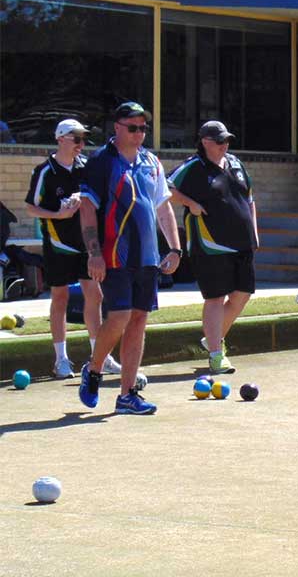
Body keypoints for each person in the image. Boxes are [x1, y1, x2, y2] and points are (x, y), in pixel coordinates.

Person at [77, 102, 181, 415]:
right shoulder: (101, 163)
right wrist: (93, 254)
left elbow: (163, 207)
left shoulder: (151, 162)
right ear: (117, 128)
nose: (139, 134)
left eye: (143, 129)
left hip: (148, 257)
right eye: (133, 128)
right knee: (119, 316)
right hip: (114, 255)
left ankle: (126, 395)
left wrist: (175, 249)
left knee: (139, 320)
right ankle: (93, 370)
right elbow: (87, 209)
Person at [24, 119, 120, 378]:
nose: (81, 144)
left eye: (83, 139)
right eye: (76, 138)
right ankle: (61, 359)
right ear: (61, 139)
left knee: (95, 296)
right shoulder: (45, 171)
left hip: (86, 245)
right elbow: (31, 207)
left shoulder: (86, 168)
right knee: (60, 298)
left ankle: (100, 356)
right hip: (57, 245)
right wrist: (59, 215)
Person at [167, 121, 258, 374]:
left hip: (242, 241)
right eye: (219, 141)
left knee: (242, 294)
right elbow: (164, 188)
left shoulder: (236, 164)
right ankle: (216, 354)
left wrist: (255, 233)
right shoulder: (193, 167)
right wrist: (190, 203)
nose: (224, 145)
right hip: (210, 244)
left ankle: (212, 339)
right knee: (215, 297)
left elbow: (249, 198)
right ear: (205, 142)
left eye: (227, 140)